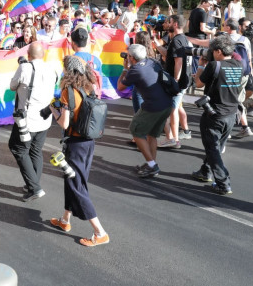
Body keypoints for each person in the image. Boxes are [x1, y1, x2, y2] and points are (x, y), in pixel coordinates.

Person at [49, 55, 109, 247]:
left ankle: (100, 232)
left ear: (68, 71)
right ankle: (65, 220)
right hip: (89, 141)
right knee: (72, 180)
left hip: (75, 143)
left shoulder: (68, 91)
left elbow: (64, 122)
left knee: (76, 185)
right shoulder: (90, 87)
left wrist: (53, 111)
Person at [191, 35, 242, 195]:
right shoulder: (238, 64)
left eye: (212, 51)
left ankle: (223, 183)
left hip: (215, 113)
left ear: (218, 51)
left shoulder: (214, 65)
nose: (210, 53)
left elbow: (198, 83)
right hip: (232, 113)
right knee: (217, 146)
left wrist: (200, 66)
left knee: (212, 148)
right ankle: (205, 172)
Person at [9, 43, 57, 201]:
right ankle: (33, 183)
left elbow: (12, 86)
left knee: (18, 149)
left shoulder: (25, 68)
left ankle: (35, 188)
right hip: (44, 118)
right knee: (36, 150)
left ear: (28, 54)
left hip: (27, 120)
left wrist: (23, 67)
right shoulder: (52, 68)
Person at [117, 44, 174, 178]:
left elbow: (120, 87)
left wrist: (125, 69)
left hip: (153, 106)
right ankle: (150, 164)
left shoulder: (135, 70)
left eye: (128, 56)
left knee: (135, 131)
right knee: (151, 135)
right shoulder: (152, 61)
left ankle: (152, 165)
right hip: (166, 104)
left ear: (131, 57)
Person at [156, 15, 191, 148]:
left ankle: (174, 140)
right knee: (174, 108)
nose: (167, 24)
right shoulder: (182, 39)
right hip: (180, 82)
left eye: (169, 22)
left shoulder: (176, 41)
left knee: (173, 110)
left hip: (177, 83)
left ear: (175, 24)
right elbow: (168, 55)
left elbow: (179, 62)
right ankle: (172, 138)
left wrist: (175, 81)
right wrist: (156, 44)